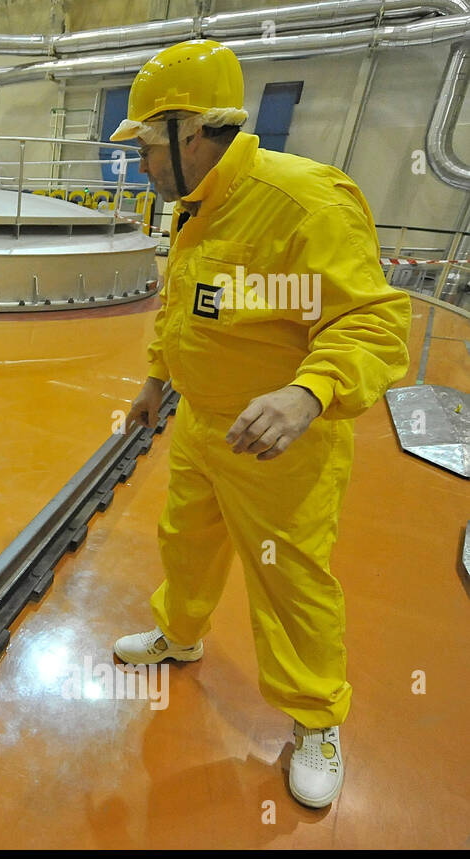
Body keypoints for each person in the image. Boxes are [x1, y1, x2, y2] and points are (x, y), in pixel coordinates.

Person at [110, 39, 411, 809]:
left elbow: (374, 326)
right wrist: (156, 379)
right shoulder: (196, 205)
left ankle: (315, 720)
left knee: (290, 582)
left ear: (191, 130)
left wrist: (307, 394)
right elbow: (185, 307)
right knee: (186, 540)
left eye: (147, 144)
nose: (140, 162)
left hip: (284, 448)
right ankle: (180, 635)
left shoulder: (305, 201)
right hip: (204, 428)